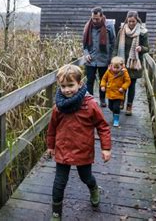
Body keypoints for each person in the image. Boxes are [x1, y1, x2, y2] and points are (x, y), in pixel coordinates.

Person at [47, 64, 112, 221]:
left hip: (83, 149)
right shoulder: (58, 107)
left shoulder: (89, 104)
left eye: (71, 85)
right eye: (63, 86)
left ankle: (94, 188)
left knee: (86, 177)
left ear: (80, 84)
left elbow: (103, 126)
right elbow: (52, 128)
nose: (67, 90)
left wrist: (106, 148)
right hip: (63, 149)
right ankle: (56, 213)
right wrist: (50, 145)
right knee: (59, 183)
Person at [113, 10, 149, 116]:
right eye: (129, 21)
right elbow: (116, 47)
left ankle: (129, 105)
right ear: (127, 20)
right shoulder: (122, 31)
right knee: (122, 83)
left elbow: (147, 48)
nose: (131, 23)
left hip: (134, 64)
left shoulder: (143, 32)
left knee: (132, 85)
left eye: (133, 21)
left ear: (137, 20)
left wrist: (141, 48)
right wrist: (113, 60)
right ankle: (121, 101)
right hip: (122, 63)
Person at [83, 6, 116, 107]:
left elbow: (113, 43)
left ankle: (102, 99)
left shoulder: (109, 26)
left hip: (104, 59)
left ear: (102, 16)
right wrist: (86, 54)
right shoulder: (88, 26)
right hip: (91, 59)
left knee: (103, 80)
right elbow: (84, 45)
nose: (95, 20)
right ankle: (90, 100)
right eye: (93, 18)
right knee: (90, 80)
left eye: (97, 18)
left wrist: (111, 59)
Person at [100, 56, 131, 127]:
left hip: (118, 93)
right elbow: (104, 79)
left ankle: (116, 120)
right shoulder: (108, 71)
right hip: (110, 92)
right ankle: (115, 114)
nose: (116, 69)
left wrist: (123, 88)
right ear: (111, 66)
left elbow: (128, 81)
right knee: (110, 107)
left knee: (116, 107)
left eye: (118, 68)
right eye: (114, 67)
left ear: (122, 66)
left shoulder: (124, 72)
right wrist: (103, 85)